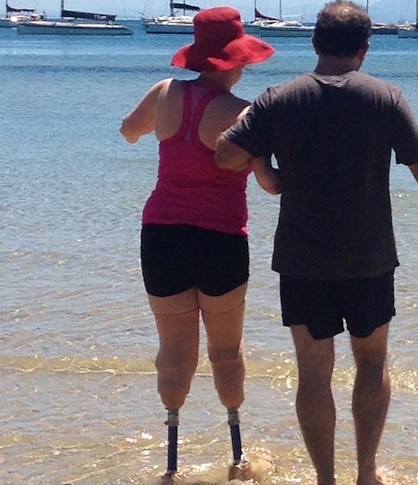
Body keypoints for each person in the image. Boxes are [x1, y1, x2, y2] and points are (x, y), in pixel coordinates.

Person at [213, 2, 418, 484]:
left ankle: (326, 479)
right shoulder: (385, 97)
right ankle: (365, 472)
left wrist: (263, 165)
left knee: (314, 371)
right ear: (365, 48)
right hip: (368, 257)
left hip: (301, 258)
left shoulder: (278, 98)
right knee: (372, 363)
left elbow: (226, 153)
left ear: (314, 43)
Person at [119, 7, 278, 480]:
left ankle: (171, 466)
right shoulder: (243, 114)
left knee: (174, 352)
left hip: (162, 235)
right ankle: (237, 458)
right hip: (221, 239)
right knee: (225, 352)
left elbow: (129, 131)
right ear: (236, 61)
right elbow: (270, 183)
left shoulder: (165, 94)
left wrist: (163, 128)